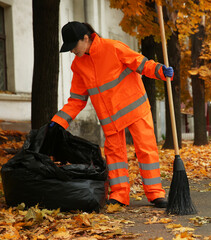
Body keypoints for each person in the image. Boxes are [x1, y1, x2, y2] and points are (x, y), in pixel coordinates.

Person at [50, 21, 174, 208]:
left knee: (147, 151)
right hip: (110, 120)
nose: (72, 51)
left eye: (73, 46)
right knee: (115, 157)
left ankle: (156, 193)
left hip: (135, 110)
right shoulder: (78, 66)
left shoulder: (113, 47)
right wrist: (58, 121)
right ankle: (119, 195)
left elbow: (142, 64)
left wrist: (160, 71)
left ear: (85, 38)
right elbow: (76, 100)